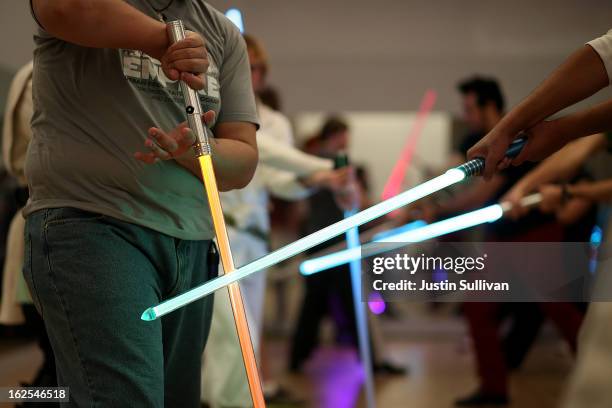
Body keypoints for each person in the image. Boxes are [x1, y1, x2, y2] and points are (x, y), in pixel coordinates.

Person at [25, 2, 258, 407]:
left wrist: (193, 150)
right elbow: (62, 6)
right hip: (95, 226)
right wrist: (163, 40)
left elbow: (242, 163)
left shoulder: (222, 32)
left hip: (193, 243)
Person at [200, 34, 350, 408]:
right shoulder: (211, 112)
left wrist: (313, 180)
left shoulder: (275, 122)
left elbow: (273, 176)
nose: (247, 75)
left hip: (254, 241)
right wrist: (321, 166)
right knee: (232, 332)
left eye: (253, 68)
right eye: (240, 67)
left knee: (246, 336)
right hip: (217, 236)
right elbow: (266, 152)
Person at [465, 29, 612, 408]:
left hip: (535, 231)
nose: (466, 115)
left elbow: (572, 164)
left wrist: (568, 193)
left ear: (487, 106)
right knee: (478, 306)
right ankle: (494, 391)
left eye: (469, 107)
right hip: (503, 233)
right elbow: (603, 55)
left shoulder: (512, 140)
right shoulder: (492, 139)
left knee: (562, 310)